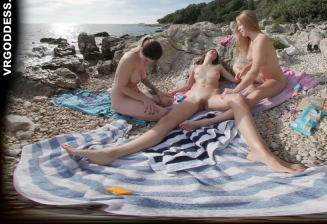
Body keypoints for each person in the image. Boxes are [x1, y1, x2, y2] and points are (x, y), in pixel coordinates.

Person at [62, 47, 306, 174]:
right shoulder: (195, 68)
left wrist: (248, 81)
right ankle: (111, 153)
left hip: (212, 97)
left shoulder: (219, 68)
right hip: (193, 97)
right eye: (209, 51)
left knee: (239, 100)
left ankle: (261, 153)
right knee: (165, 123)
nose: (212, 52)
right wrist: (170, 94)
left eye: (215, 51)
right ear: (204, 54)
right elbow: (187, 87)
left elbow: (235, 81)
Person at [110, 35, 173, 121]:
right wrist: (145, 99)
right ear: (141, 49)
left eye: (151, 62)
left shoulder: (143, 60)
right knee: (163, 113)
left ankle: (139, 111)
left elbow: (144, 79)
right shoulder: (128, 59)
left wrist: (158, 91)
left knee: (168, 100)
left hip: (136, 93)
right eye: (147, 60)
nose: (148, 63)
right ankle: (133, 112)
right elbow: (121, 87)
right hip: (122, 98)